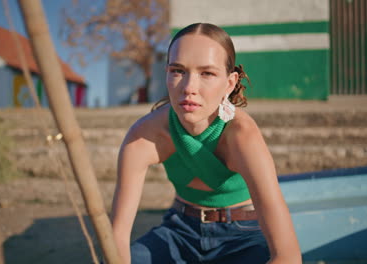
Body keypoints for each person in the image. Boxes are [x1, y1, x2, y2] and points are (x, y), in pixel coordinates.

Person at [111, 23, 301, 264]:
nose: (189, 88)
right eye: (178, 71)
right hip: (179, 231)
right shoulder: (144, 135)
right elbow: (117, 235)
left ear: (229, 83)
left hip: (245, 236)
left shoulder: (242, 136)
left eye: (207, 73)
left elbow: (288, 256)